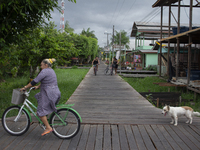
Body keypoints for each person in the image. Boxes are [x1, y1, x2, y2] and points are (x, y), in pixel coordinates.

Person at [20, 58, 61, 136]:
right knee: (41, 104)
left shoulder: (44, 71)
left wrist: (25, 87)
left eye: (41, 65)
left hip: (49, 93)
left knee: (40, 111)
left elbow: (35, 81)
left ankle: (48, 127)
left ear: (45, 65)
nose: (41, 67)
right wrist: (38, 87)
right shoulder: (51, 70)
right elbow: (46, 81)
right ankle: (45, 121)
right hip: (55, 92)